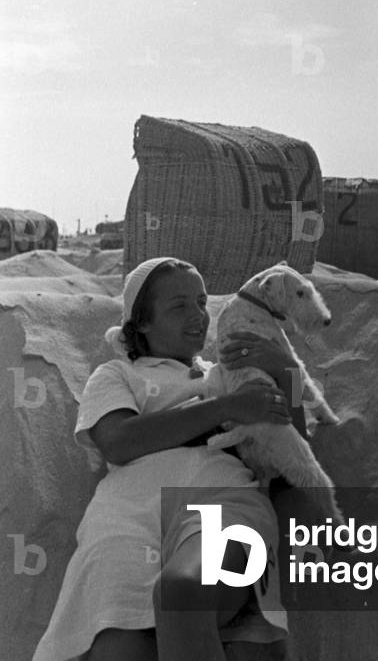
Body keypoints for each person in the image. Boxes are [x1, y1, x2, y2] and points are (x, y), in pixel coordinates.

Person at [32, 256, 305, 661]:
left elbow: (292, 449)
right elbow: (120, 441)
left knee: (182, 590)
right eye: (179, 306)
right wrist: (223, 408)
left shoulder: (228, 372)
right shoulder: (115, 375)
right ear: (141, 322)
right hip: (128, 513)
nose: (197, 315)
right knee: (119, 648)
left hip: (220, 500)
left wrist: (288, 373)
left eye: (200, 302)